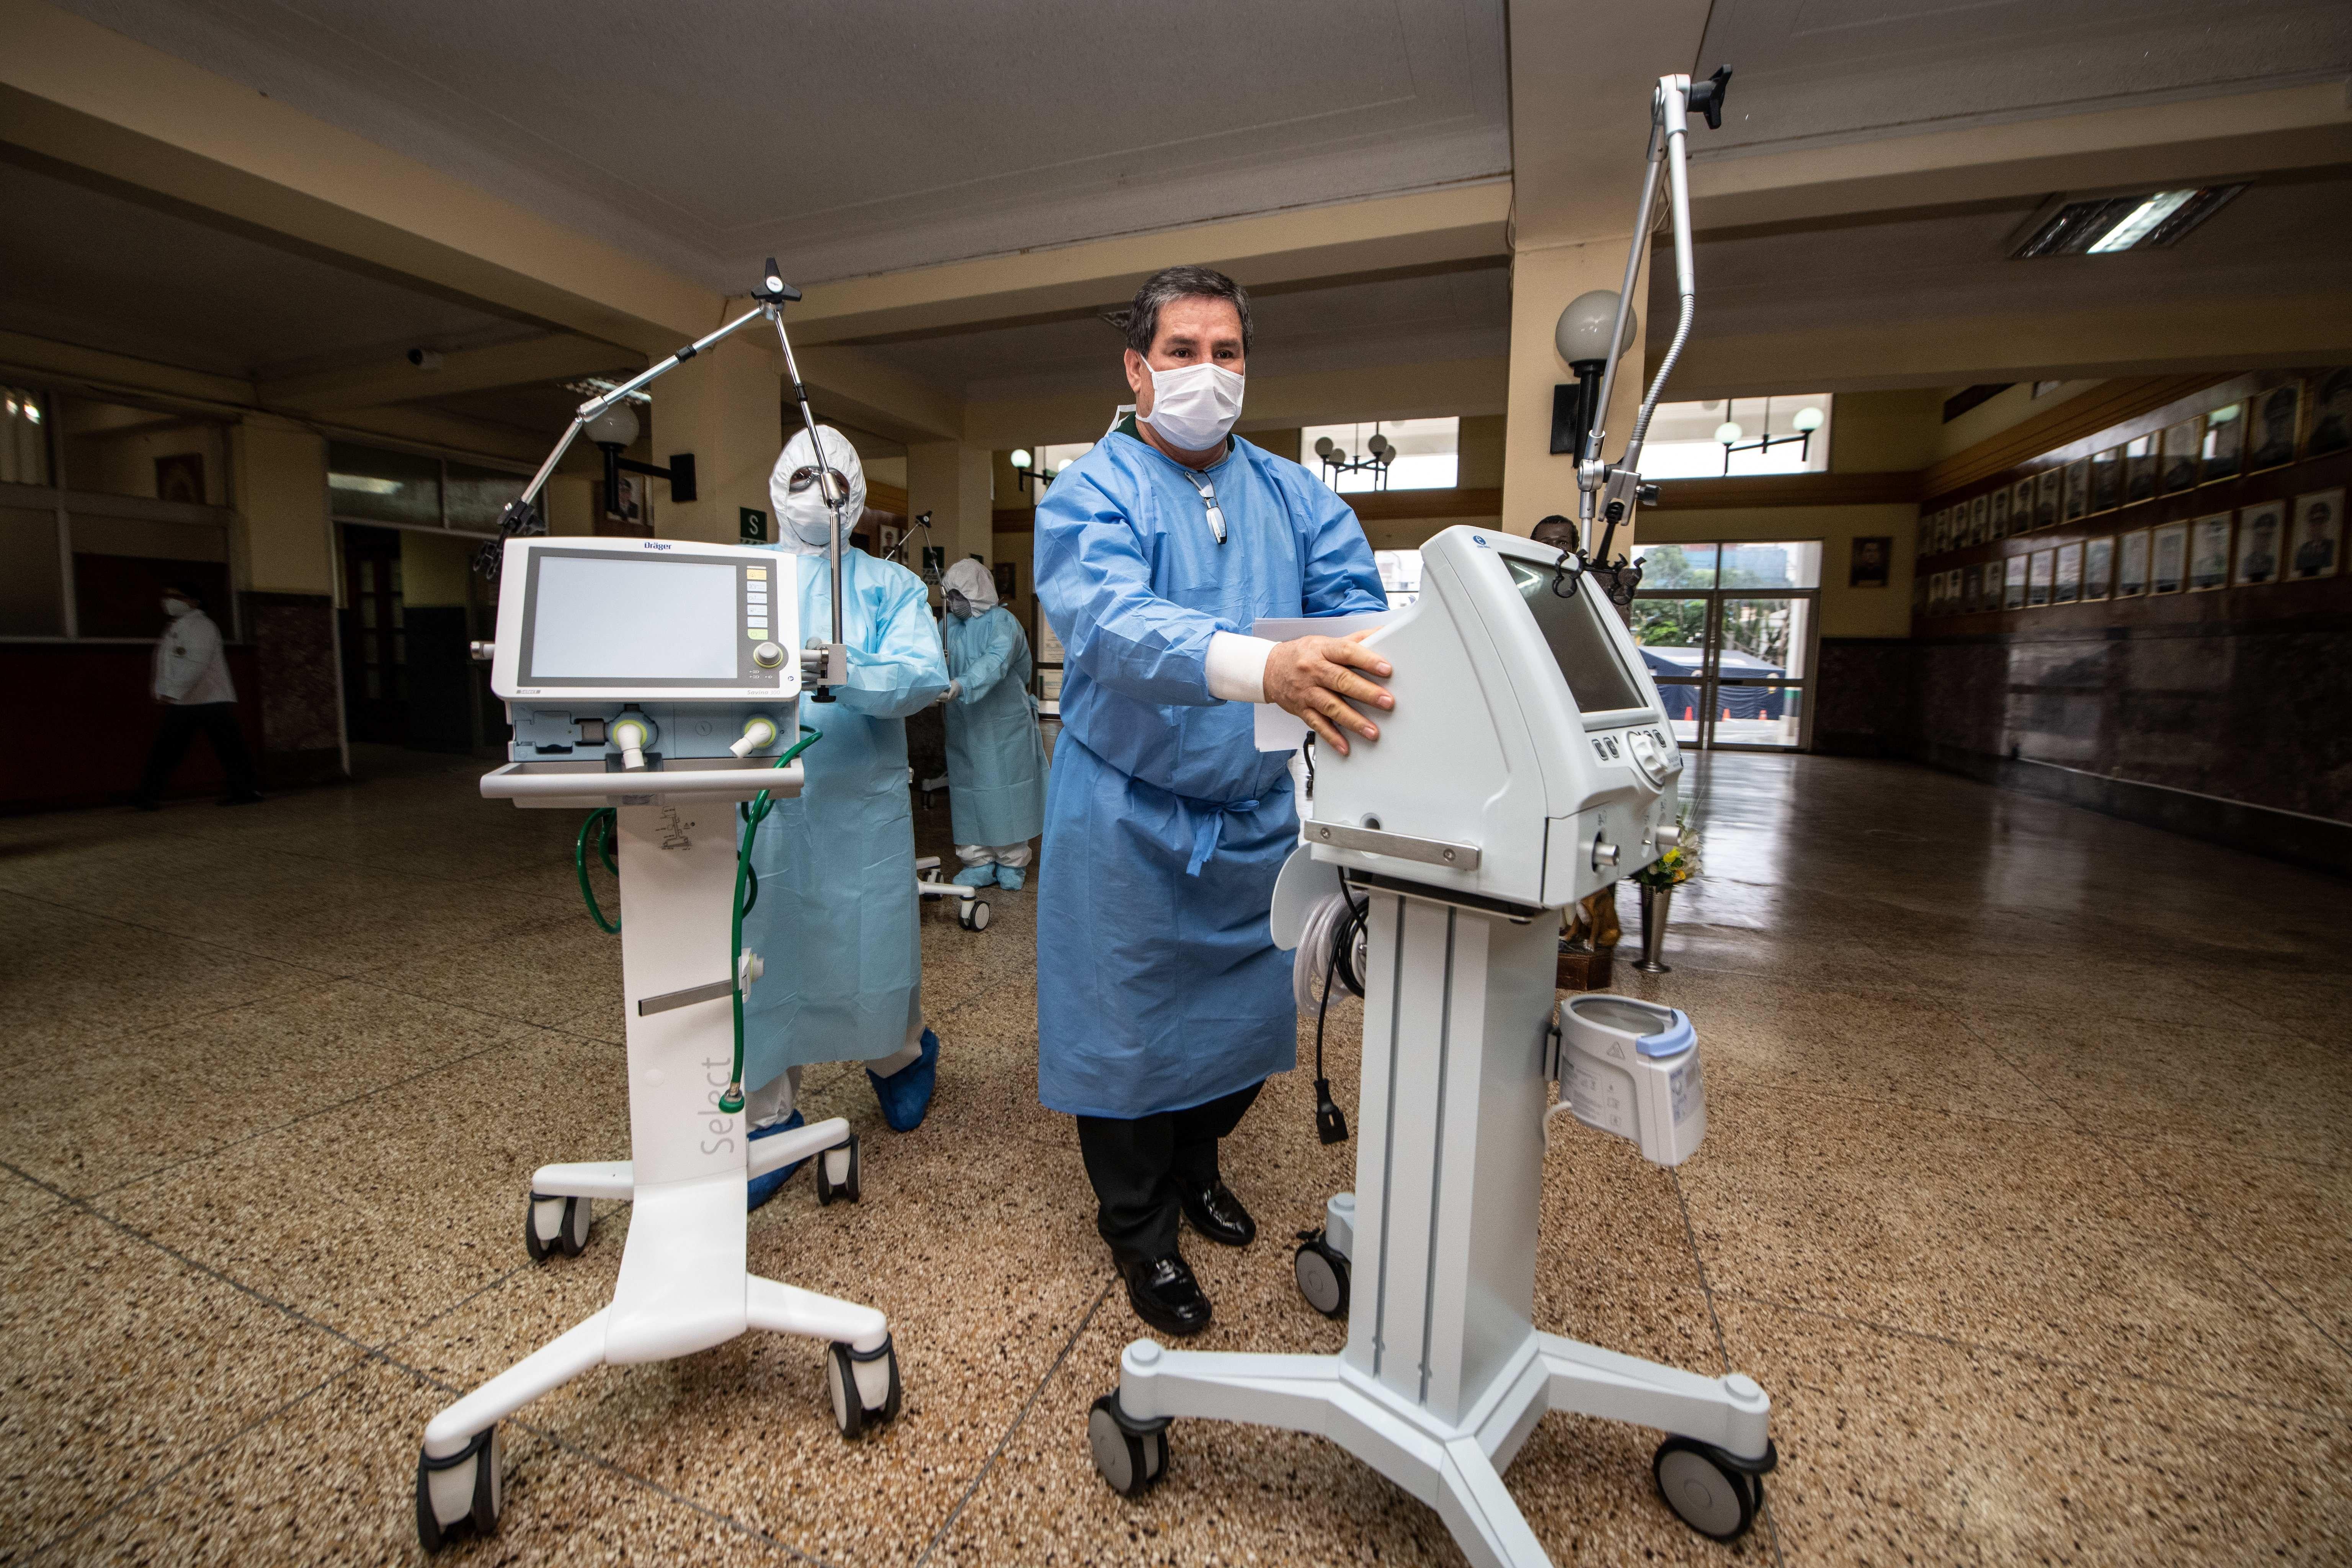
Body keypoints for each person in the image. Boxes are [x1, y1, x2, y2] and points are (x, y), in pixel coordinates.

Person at [1032, 265, 1393, 1336]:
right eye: (1181, 352)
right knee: (1129, 1033)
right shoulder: (1091, 491)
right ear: (1137, 369)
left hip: (1254, 816)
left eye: (1225, 352)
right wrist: (1256, 668)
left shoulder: (1294, 495)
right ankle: (1140, 1231)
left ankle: (1199, 1166)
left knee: (1240, 1028)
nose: (1206, 373)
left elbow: (1358, 617)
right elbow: (1106, 620)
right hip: (1125, 813)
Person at [739, 425, 951, 1210]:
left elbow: (924, 674)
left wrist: (849, 667)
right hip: (759, 796)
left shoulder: (887, 588)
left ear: (856, 495)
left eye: (830, 483)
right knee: (764, 950)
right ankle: (767, 1115)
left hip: (857, 799)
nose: (815, 495)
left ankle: (901, 1052)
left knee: (868, 936)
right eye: (799, 478)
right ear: (773, 486)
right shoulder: (745, 580)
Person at [936, 558, 1048, 890]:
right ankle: (977, 859)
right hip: (963, 724)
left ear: (978, 593)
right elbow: (932, 658)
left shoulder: (1004, 623)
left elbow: (996, 662)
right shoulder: (947, 626)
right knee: (968, 792)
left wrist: (963, 684)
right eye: (950, 595)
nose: (954, 602)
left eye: (960, 595)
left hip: (1005, 725)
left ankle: (1012, 860)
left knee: (1007, 793)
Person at [132, 582, 261, 810]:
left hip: (208, 699)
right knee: (173, 749)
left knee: (221, 747)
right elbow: (167, 664)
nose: (169, 600)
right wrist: (163, 691)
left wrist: (170, 692)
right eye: (168, 595)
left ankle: (246, 791)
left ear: (194, 602)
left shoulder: (201, 627)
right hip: (190, 699)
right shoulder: (178, 626)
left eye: (177, 596)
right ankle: (147, 796)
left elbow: (195, 664)